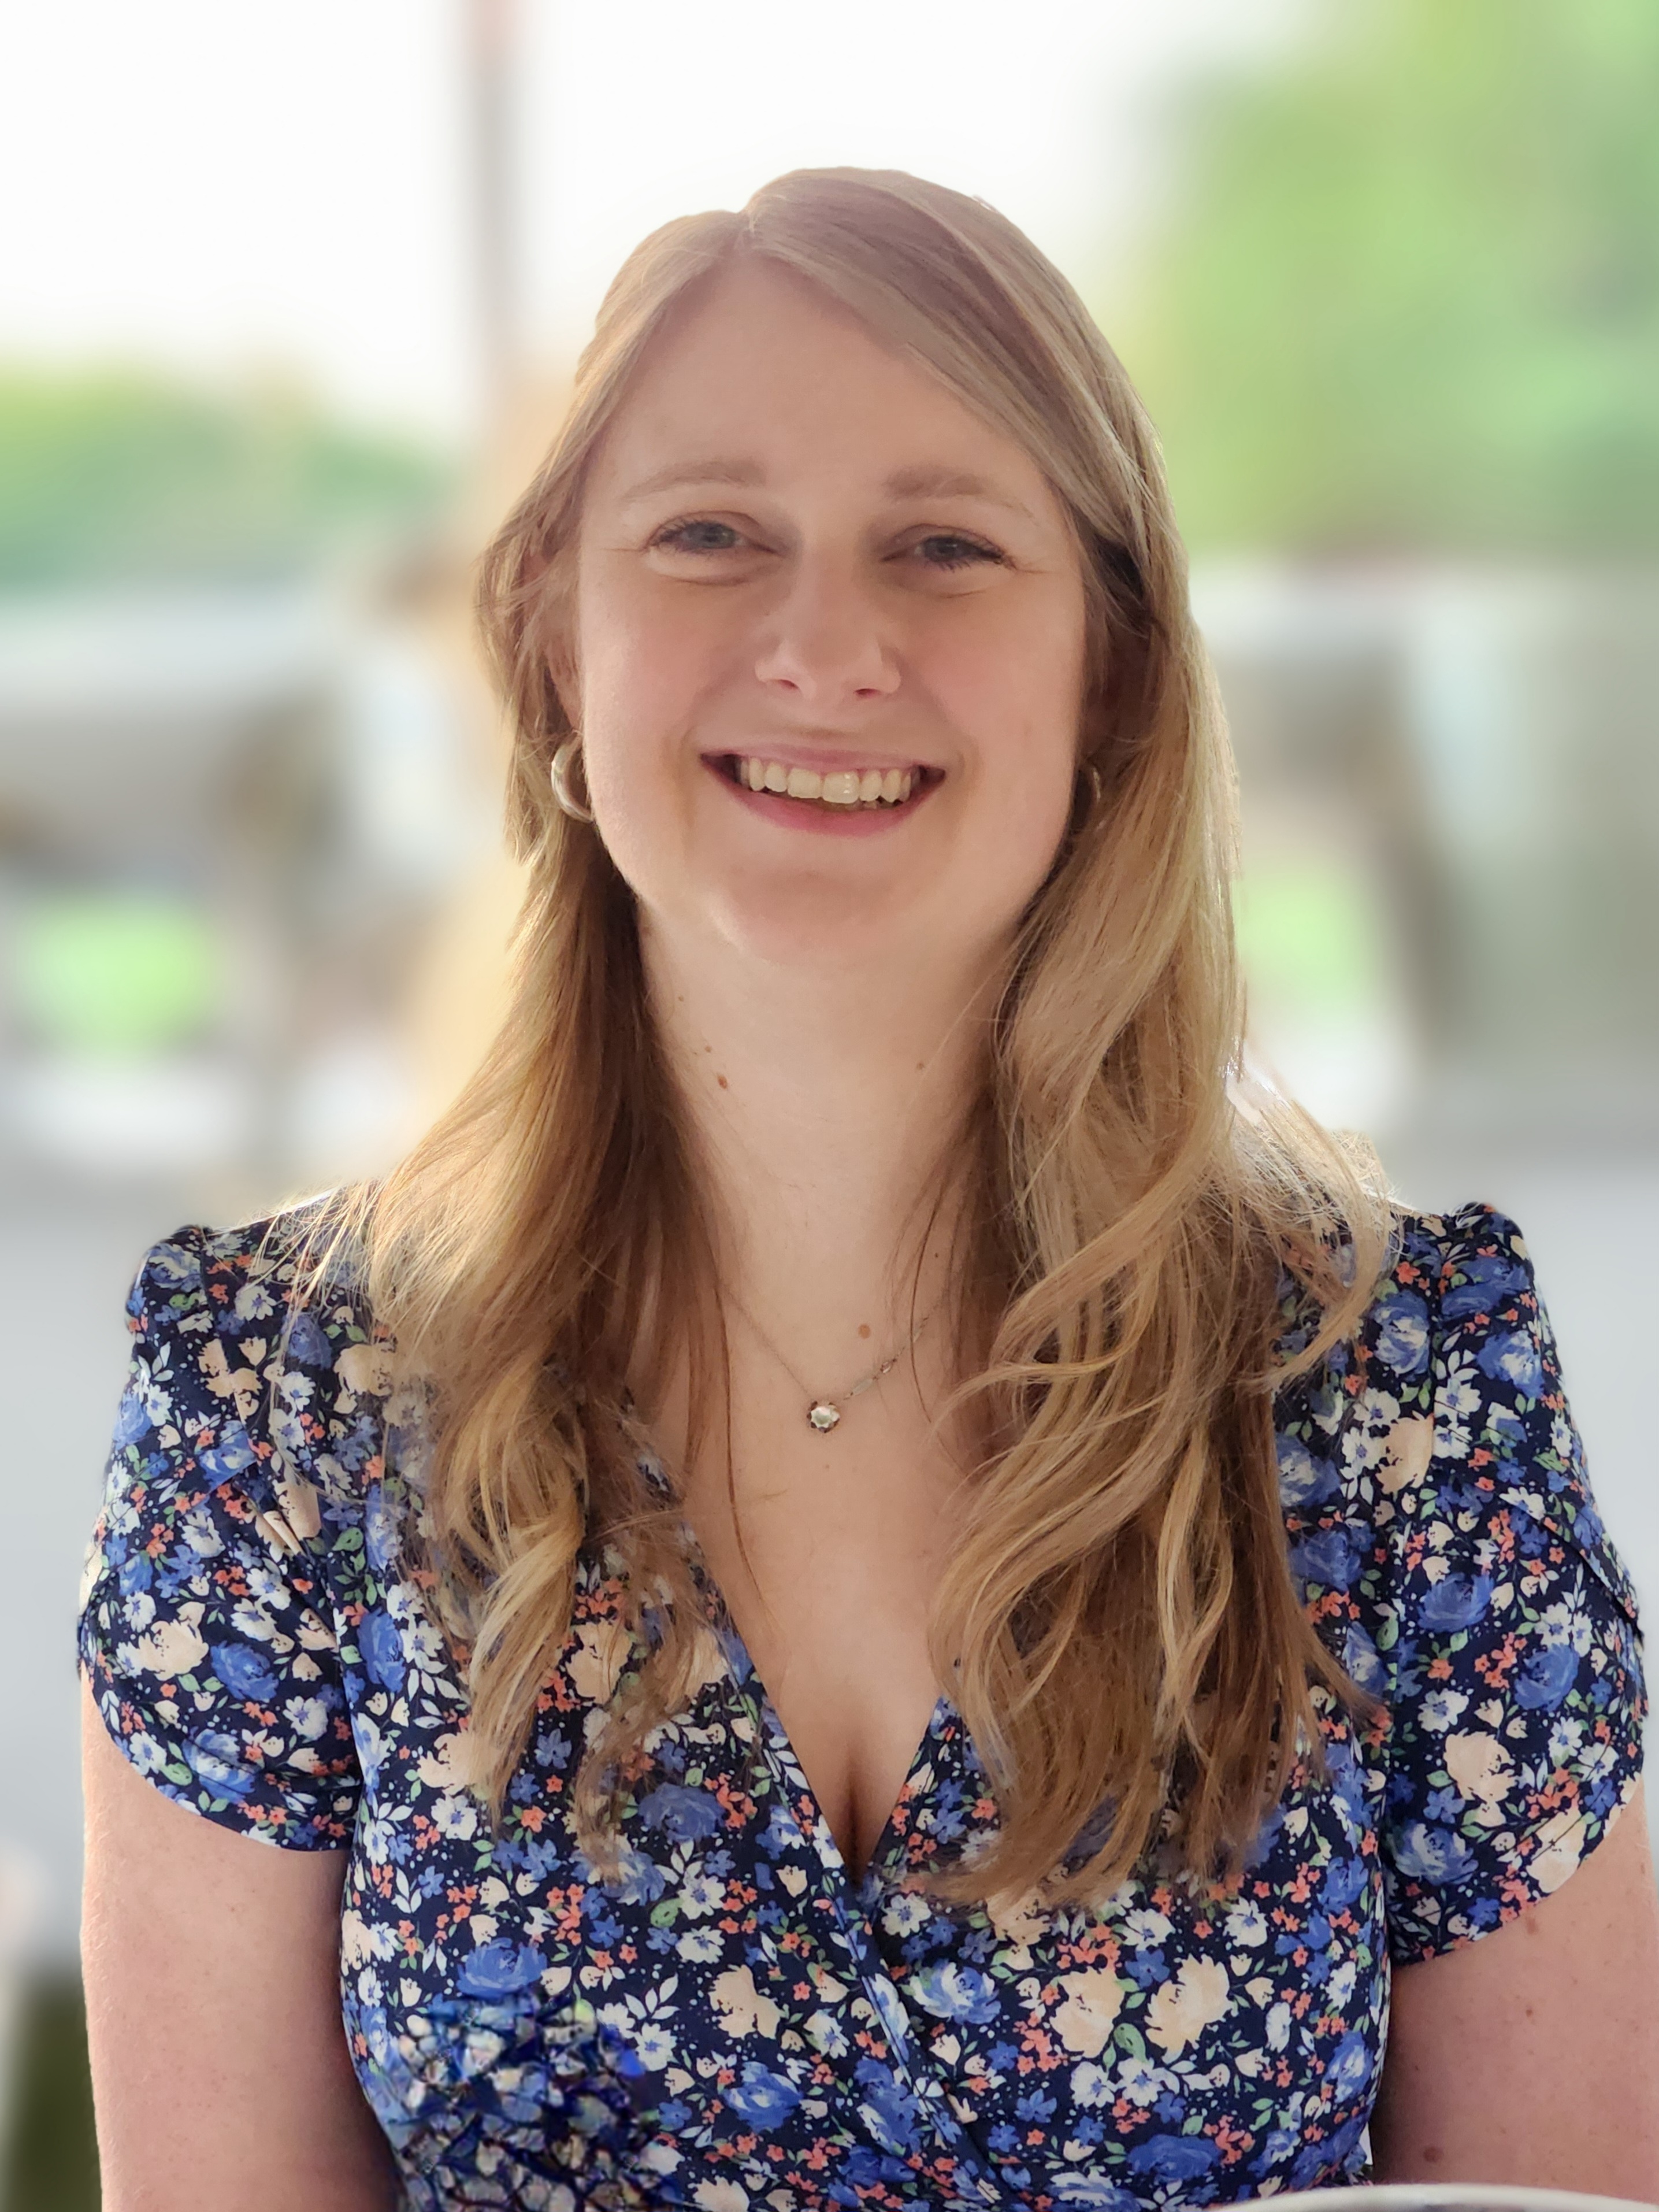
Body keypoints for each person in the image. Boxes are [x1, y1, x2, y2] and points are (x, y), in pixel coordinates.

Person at [78, 169, 1659, 2211]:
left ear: (1106, 670)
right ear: (557, 636)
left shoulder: (1407, 1386)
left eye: (944, 545)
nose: (826, 646)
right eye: (711, 536)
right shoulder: (269, 1405)